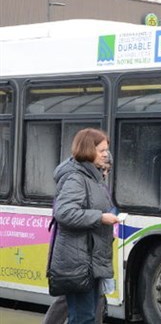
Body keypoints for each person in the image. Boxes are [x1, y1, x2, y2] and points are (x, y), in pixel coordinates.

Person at [47, 128, 120, 324]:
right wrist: (100, 218)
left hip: (90, 260)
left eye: (107, 149)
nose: (106, 154)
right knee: (82, 318)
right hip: (79, 262)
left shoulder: (92, 177)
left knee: (87, 316)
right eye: (102, 150)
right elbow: (64, 213)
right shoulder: (76, 178)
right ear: (88, 150)